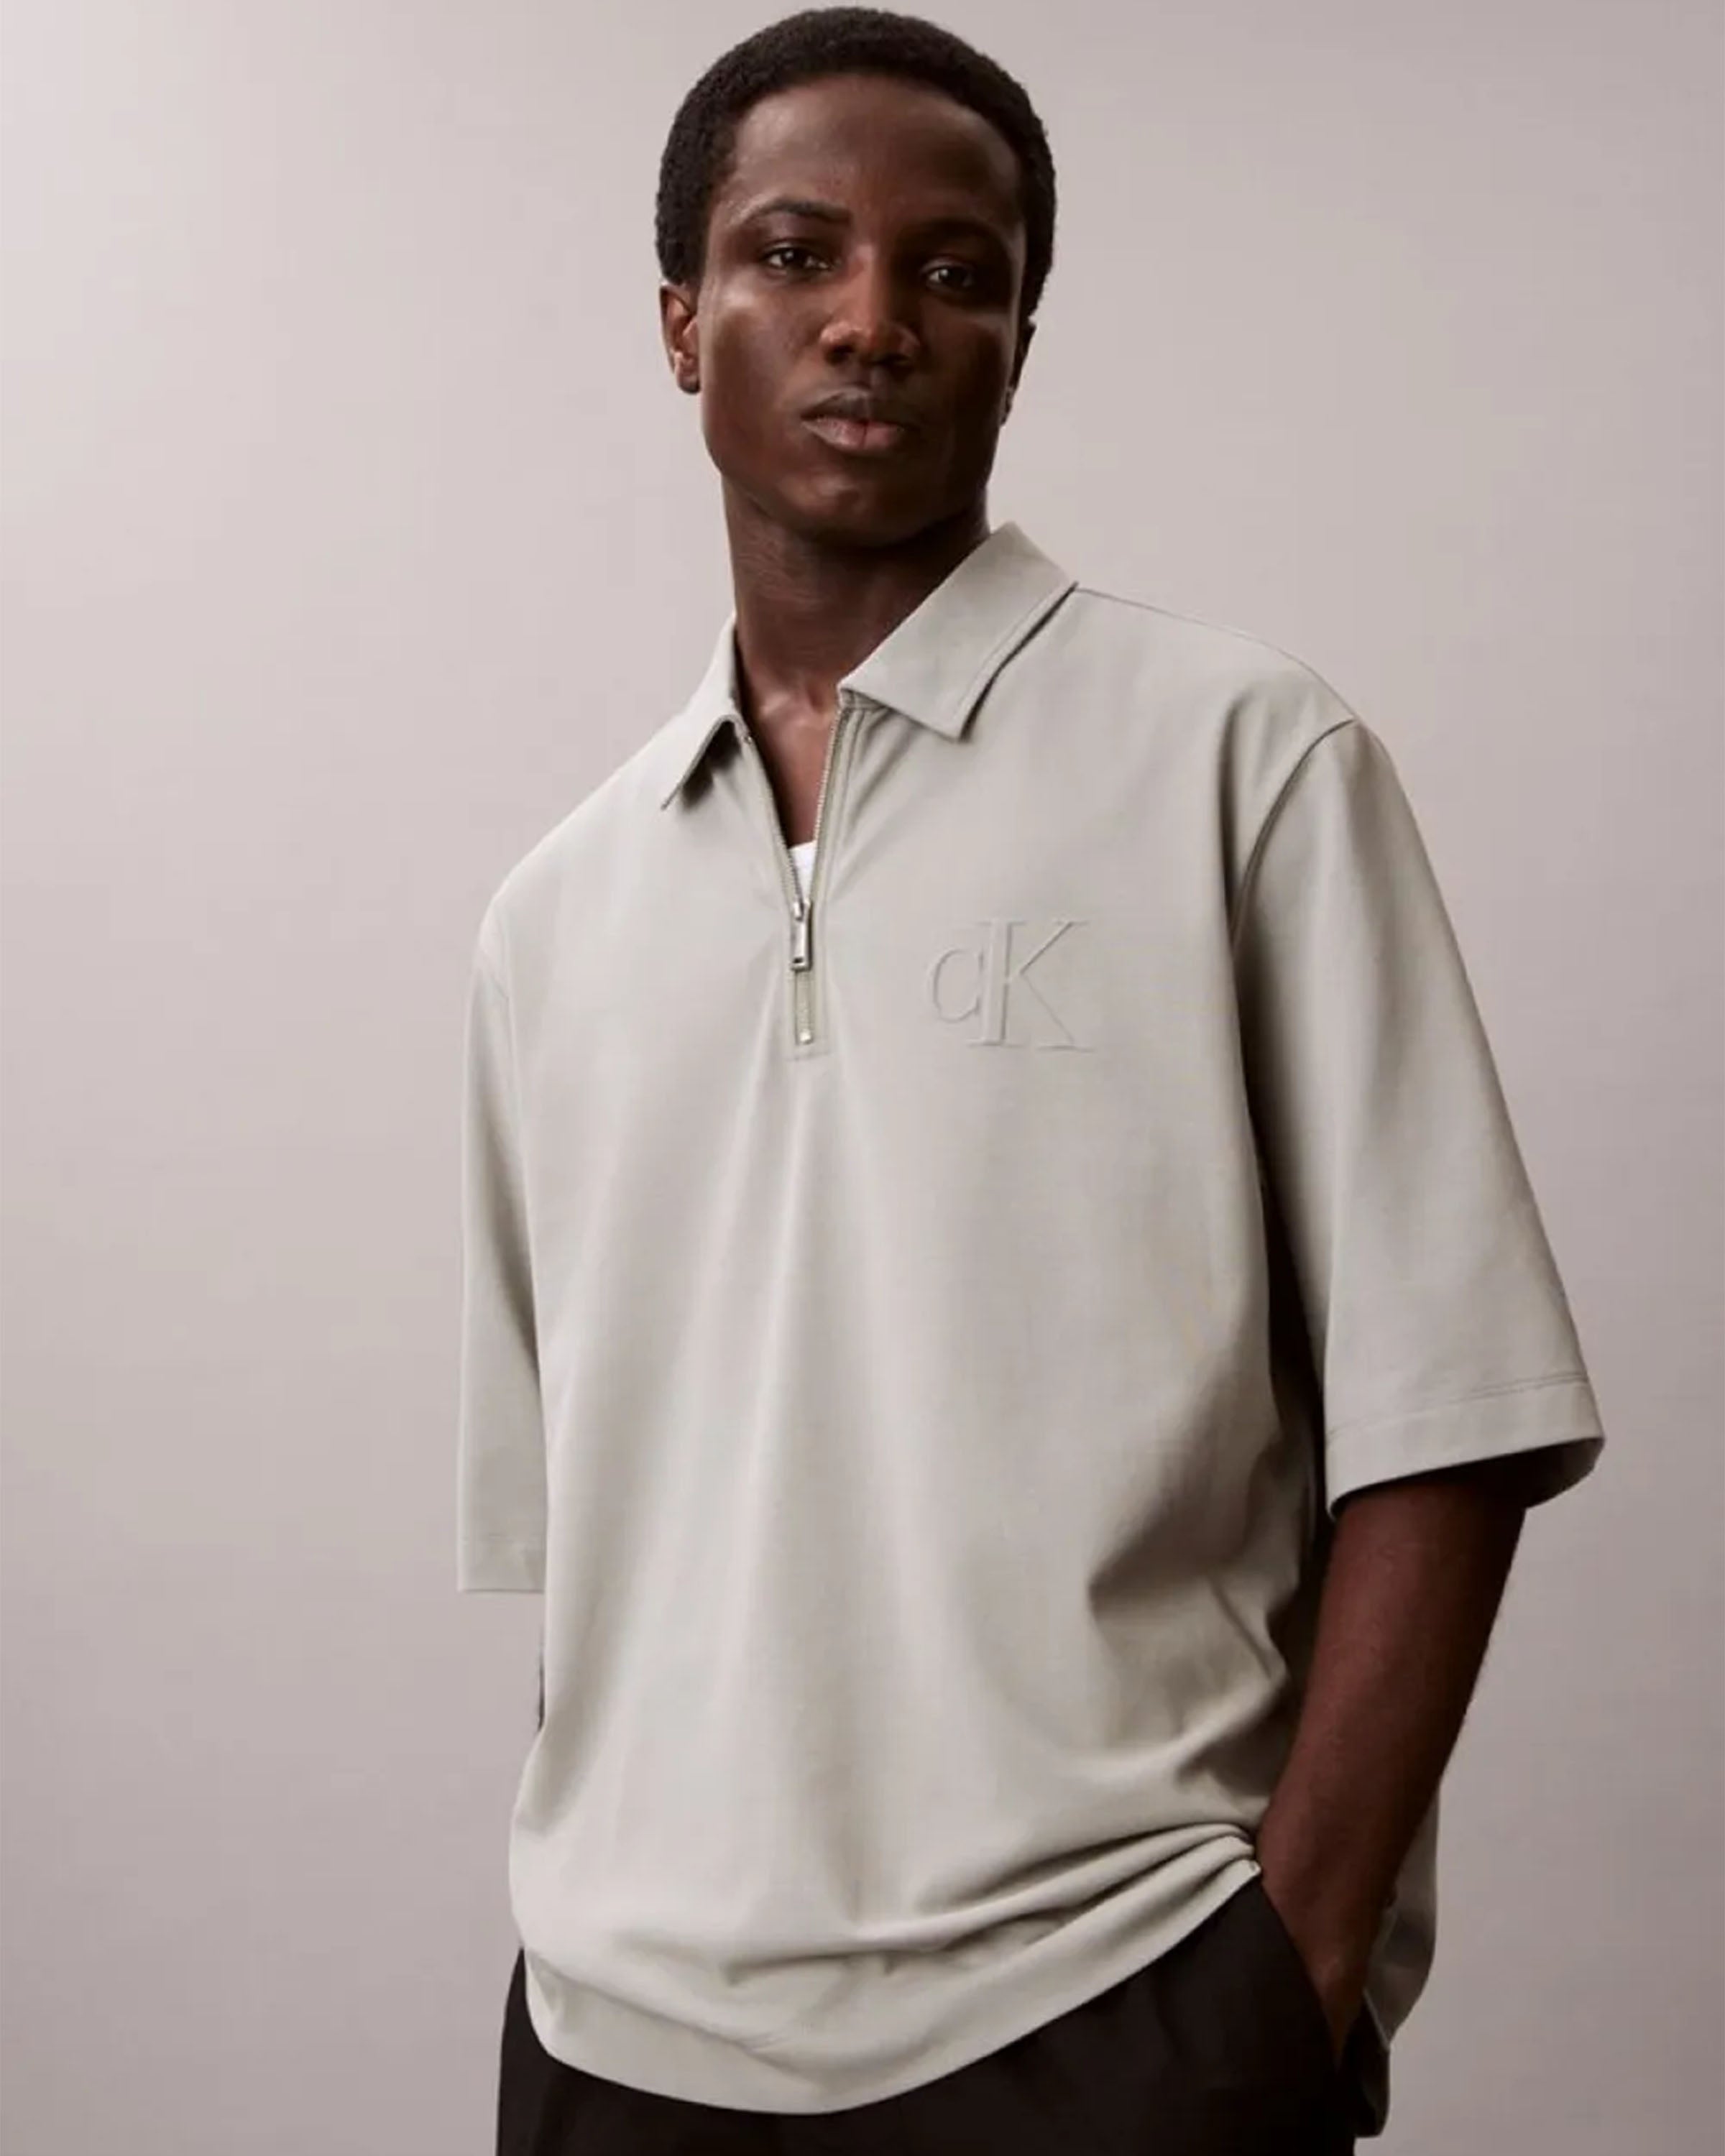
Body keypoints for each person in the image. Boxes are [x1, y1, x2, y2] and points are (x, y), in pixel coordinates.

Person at [456, 10, 1607, 2151]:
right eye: (794, 254)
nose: (871, 321)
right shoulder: (554, 917)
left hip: (1115, 2015)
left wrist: (1287, 1978)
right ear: (681, 321)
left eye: (954, 272)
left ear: (1018, 344)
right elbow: (604, 1552)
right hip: (619, 2053)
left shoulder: (1244, 762)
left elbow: (1452, 1421)